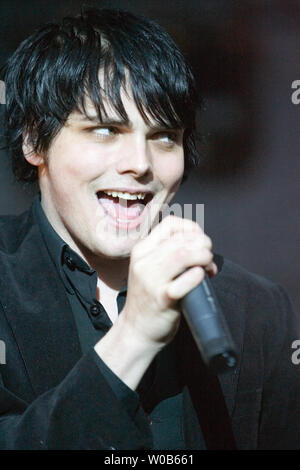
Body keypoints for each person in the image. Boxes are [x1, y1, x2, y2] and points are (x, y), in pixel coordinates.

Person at [0, 7, 299, 450]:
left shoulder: (255, 309)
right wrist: (135, 335)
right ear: (33, 140)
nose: (140, 164)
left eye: (163, 137)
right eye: (104, 130)